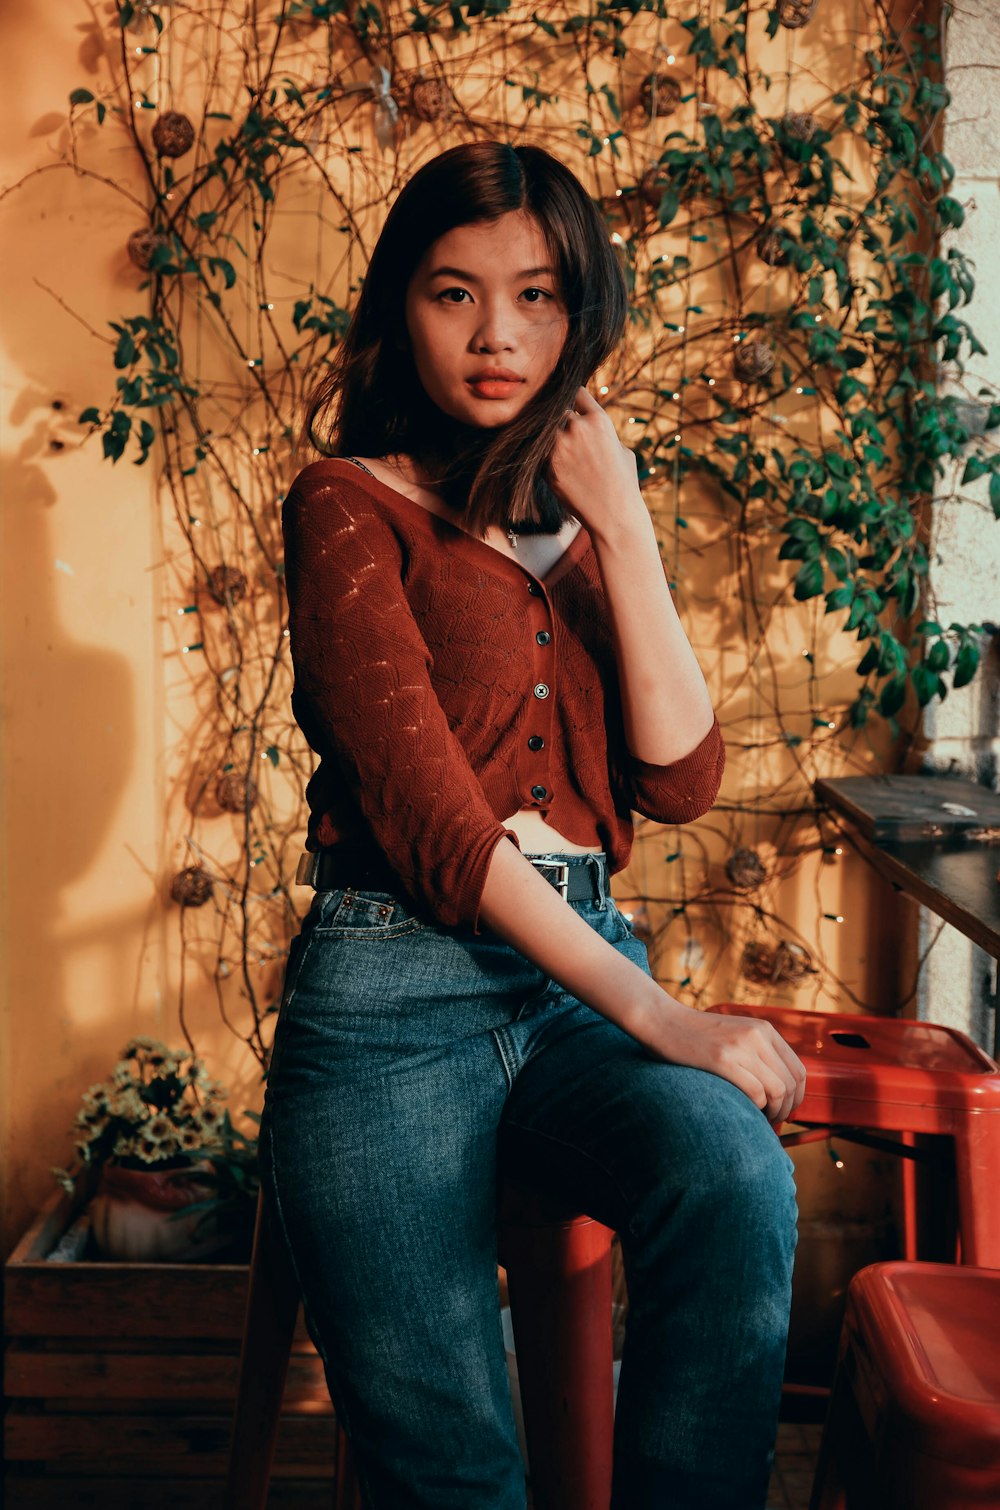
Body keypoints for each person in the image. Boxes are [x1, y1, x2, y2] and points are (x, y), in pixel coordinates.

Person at [261, 141, 805, 1510]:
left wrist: (623, 524)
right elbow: (440, 829)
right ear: (401, 313)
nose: (499, 334)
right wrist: (668, 1018)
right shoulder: (346, 507)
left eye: (538, 296)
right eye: (455, 294)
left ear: (582, 316)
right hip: (391, 1000)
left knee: (731, 1170)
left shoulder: (579, 534)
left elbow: (680, 776)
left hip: (566, 998)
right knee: (457, 1470)